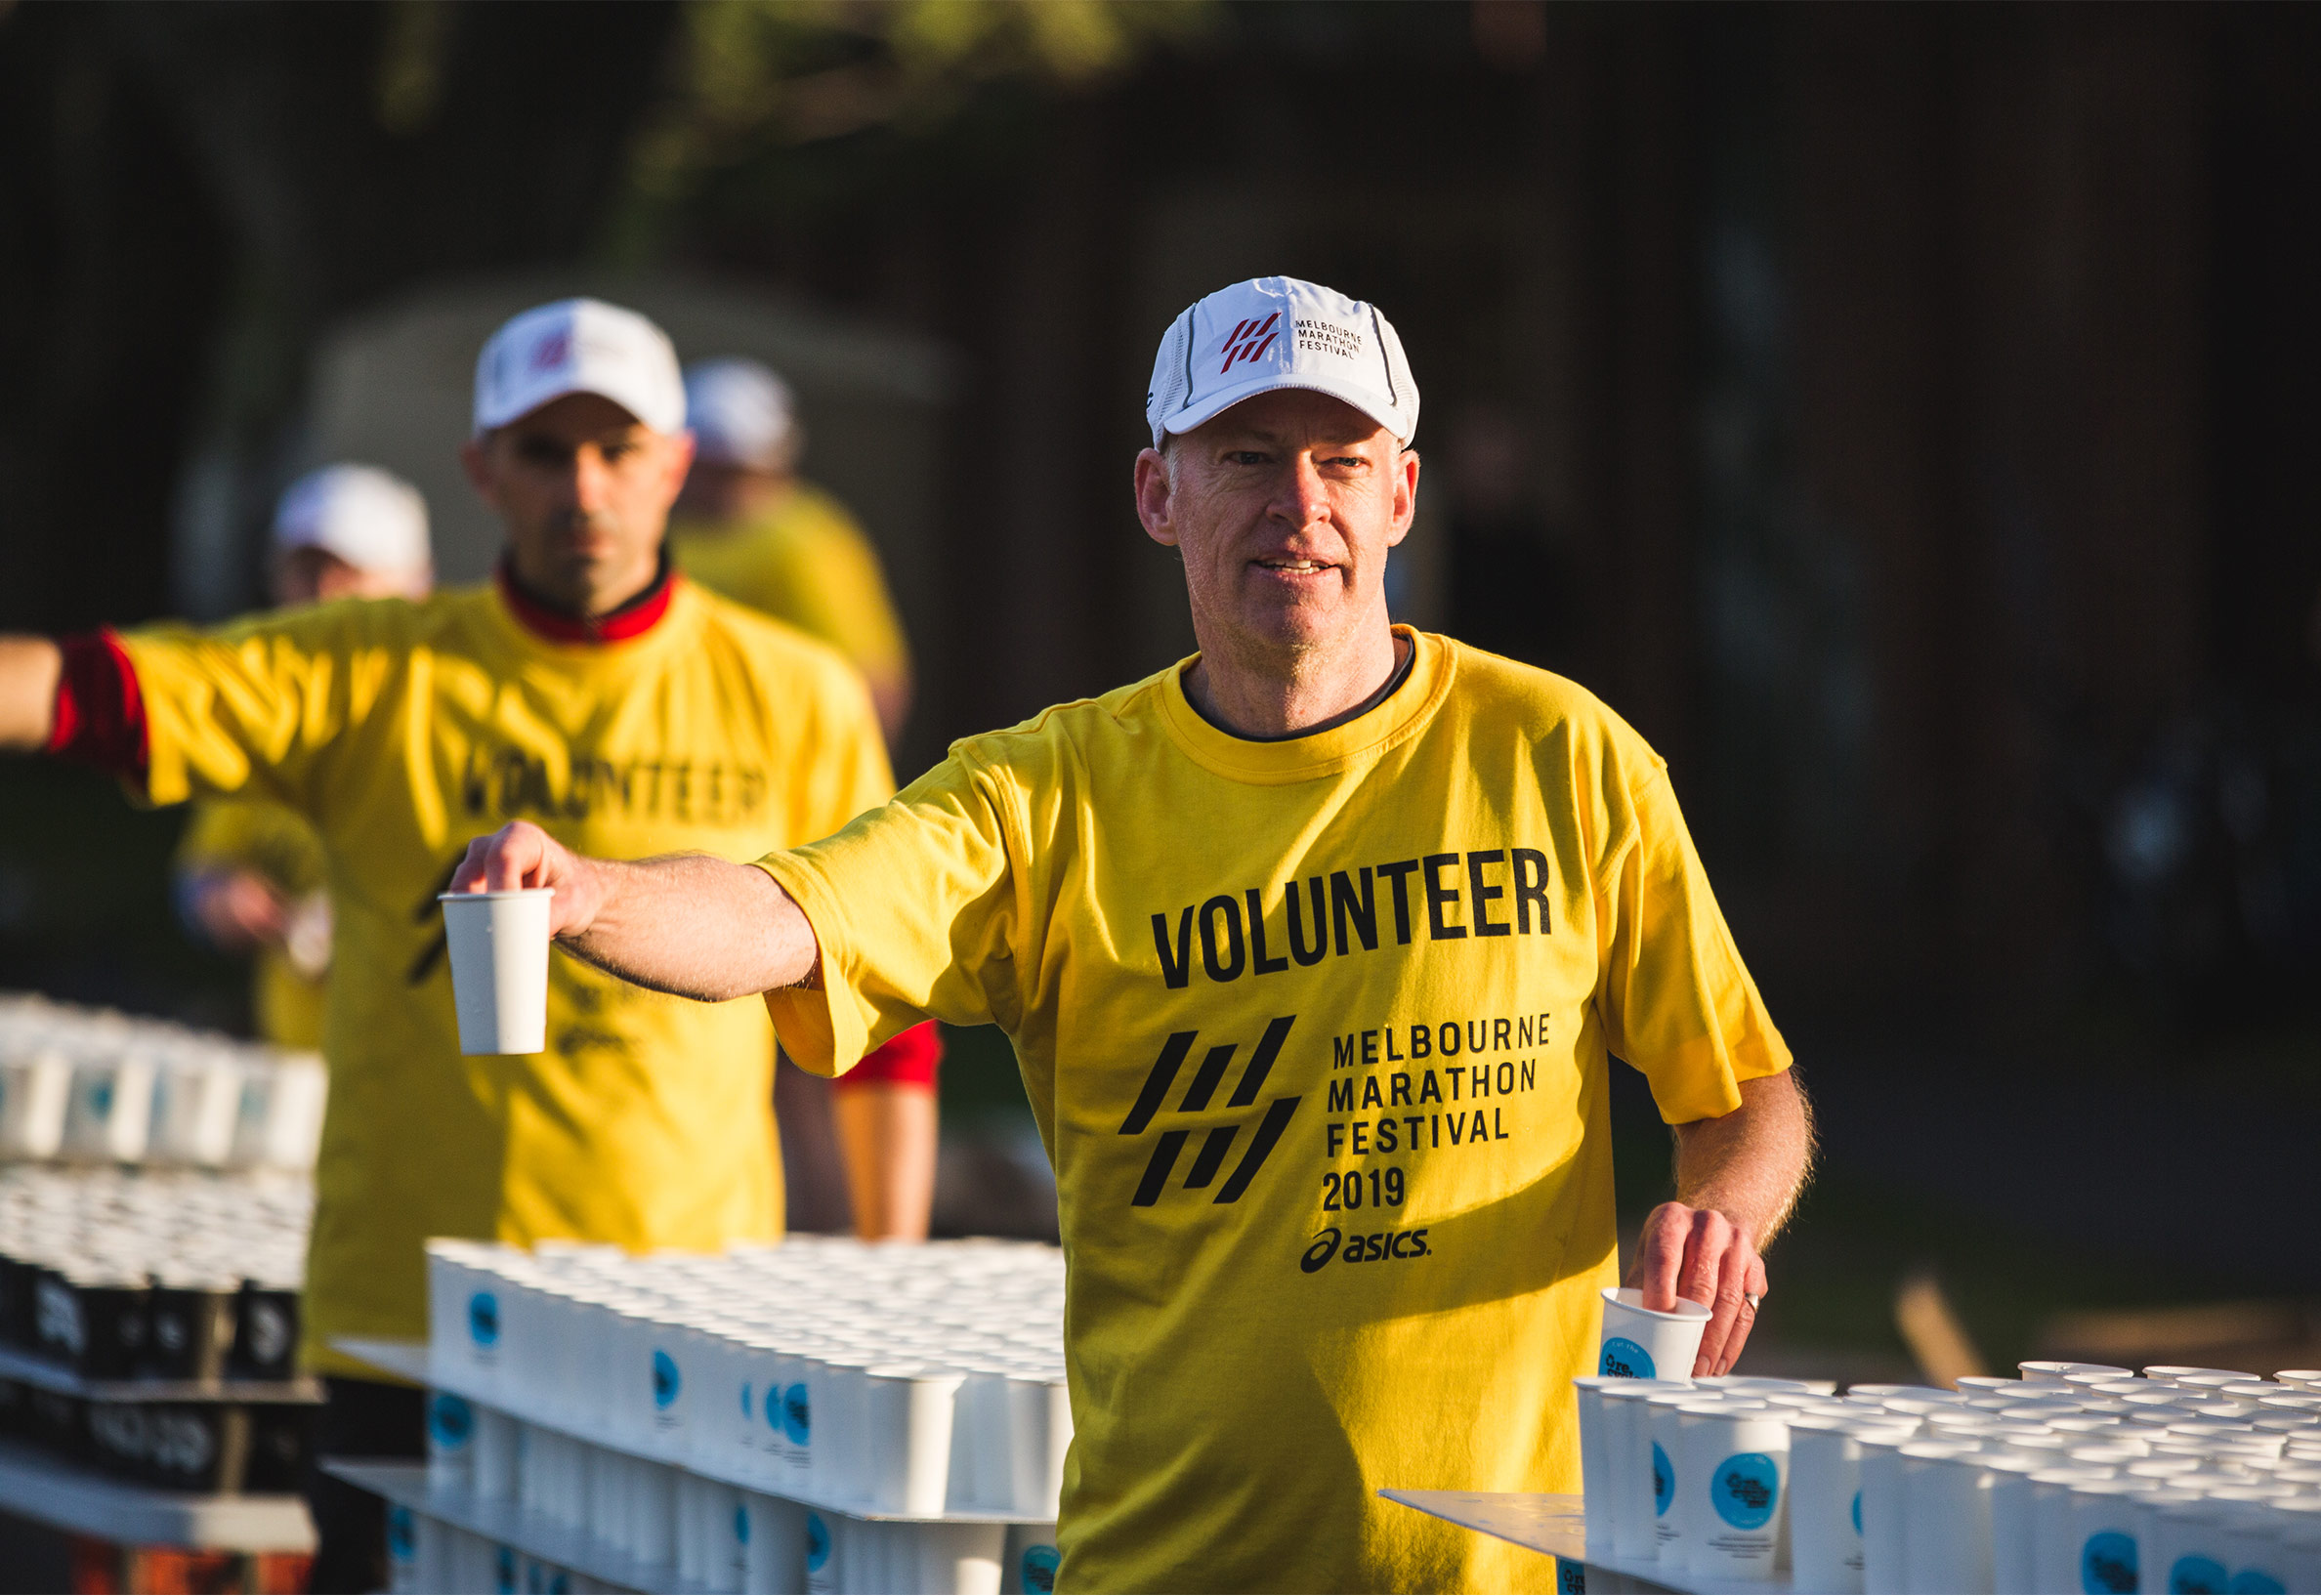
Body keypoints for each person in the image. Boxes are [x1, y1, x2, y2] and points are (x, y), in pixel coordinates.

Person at [454, 275, 1815, 1593]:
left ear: (1401, 492)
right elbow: (789, 912)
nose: (1301, 504)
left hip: (1510, 1571)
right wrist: (591, 894)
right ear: (1159, 493)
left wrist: (1725, 1216)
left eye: (1344, 460)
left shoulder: (1562, 756)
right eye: (1246, 455)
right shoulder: (1045, 796)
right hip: (1169, 1567)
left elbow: (1746, 1091)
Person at [0, 297, 917, 1592]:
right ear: (482, 469)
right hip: (406, 1328)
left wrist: (882, 1293)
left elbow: (884, 1009)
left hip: (681, 1334)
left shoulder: (794, 689)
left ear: (674, 462)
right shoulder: (372, 666)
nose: (584, 487)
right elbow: (99, 689)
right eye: (544, 452)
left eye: (615, 448)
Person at [669, 357, 939, 1240]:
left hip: (790, 827)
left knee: (815, 1053)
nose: (723, 480)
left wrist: (837, 815)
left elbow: (873, 682)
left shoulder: (804, 540)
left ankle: (831, 1237)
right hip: (706, 815)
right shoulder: (684, 541)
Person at [175, 465, 434, 1049]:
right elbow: (200, 876)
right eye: (306, 571)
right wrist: (225, 897)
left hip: (417, 1080)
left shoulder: (451, 719)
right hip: (292, 1066)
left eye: (349, 573)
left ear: (416, 586)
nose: (322, 594)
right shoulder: (264, 721)